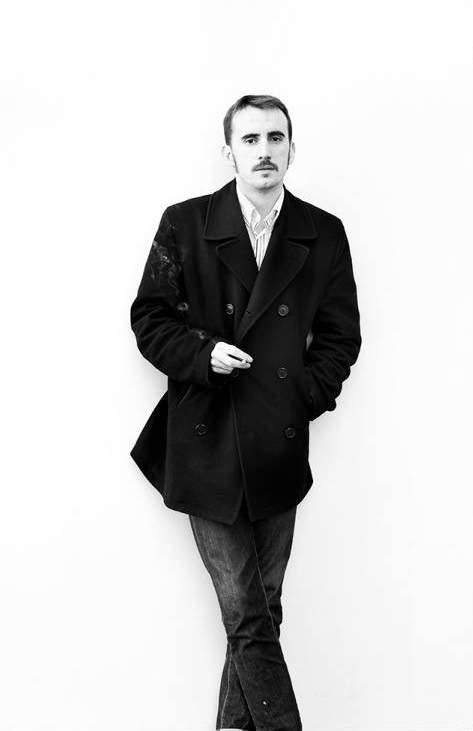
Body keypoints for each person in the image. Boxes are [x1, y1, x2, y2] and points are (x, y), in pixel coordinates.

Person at [130, 94, 362, 731]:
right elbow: (149, 319)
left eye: (275, 138)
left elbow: (342, 336)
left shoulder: (323, 232)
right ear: (228, 151)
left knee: (264, 607)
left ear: (292, 149)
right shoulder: (185, 223)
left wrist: (301, 396)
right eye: (251, 139)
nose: (264, 151)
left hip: (277, 445)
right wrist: (203, 354)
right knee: (246, 611)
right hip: (204, 440)